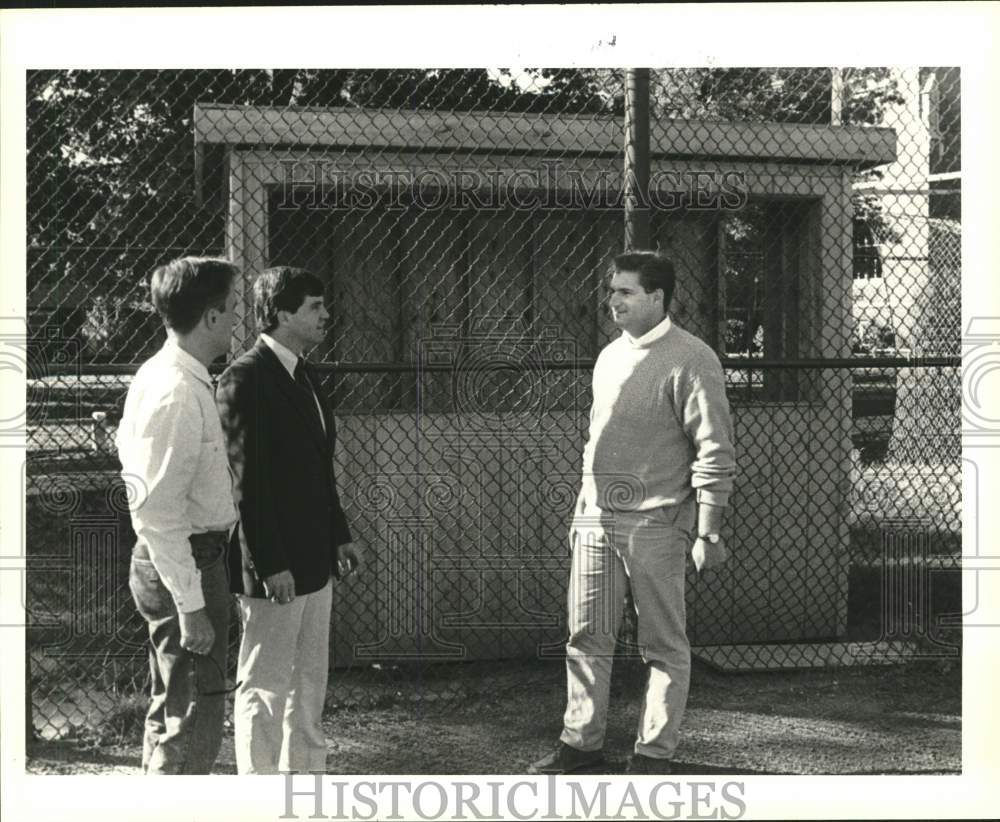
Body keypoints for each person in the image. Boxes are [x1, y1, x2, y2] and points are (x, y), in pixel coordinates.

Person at [530, 251, 736, 776]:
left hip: (658, 525)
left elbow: (714, 450)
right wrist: (582, 511)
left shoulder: (693, 358)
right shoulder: (608, 356)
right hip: (596, 522)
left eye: (624, 292)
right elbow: (596, 439)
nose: (612, 301)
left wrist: (707, 533)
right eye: (612, 290)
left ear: (657, 298)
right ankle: (581, 745)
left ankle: (653, 756)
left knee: (663, 644)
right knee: (586, 636)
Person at [215, 266, 361, 775]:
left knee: (308, 678)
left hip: (316, 556)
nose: (326, 315)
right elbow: (247, 484)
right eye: (315, 307)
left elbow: (318, 469)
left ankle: (305, 783)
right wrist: (270, 562)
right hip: (274, 564)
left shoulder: (304, 373)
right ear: (281, 314)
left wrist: (339, 535)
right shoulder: (245, 377)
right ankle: (257, 793)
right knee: (266, 682)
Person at [116, 256, 240, 774]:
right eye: (232, 310)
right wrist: (191, 606)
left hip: (186, 562)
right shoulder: (174, 390)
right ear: (210, 317)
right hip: (182, 565)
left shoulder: (178, 377)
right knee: (193, 715)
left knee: (174, 710)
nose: (238, 321)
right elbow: (156, 510)